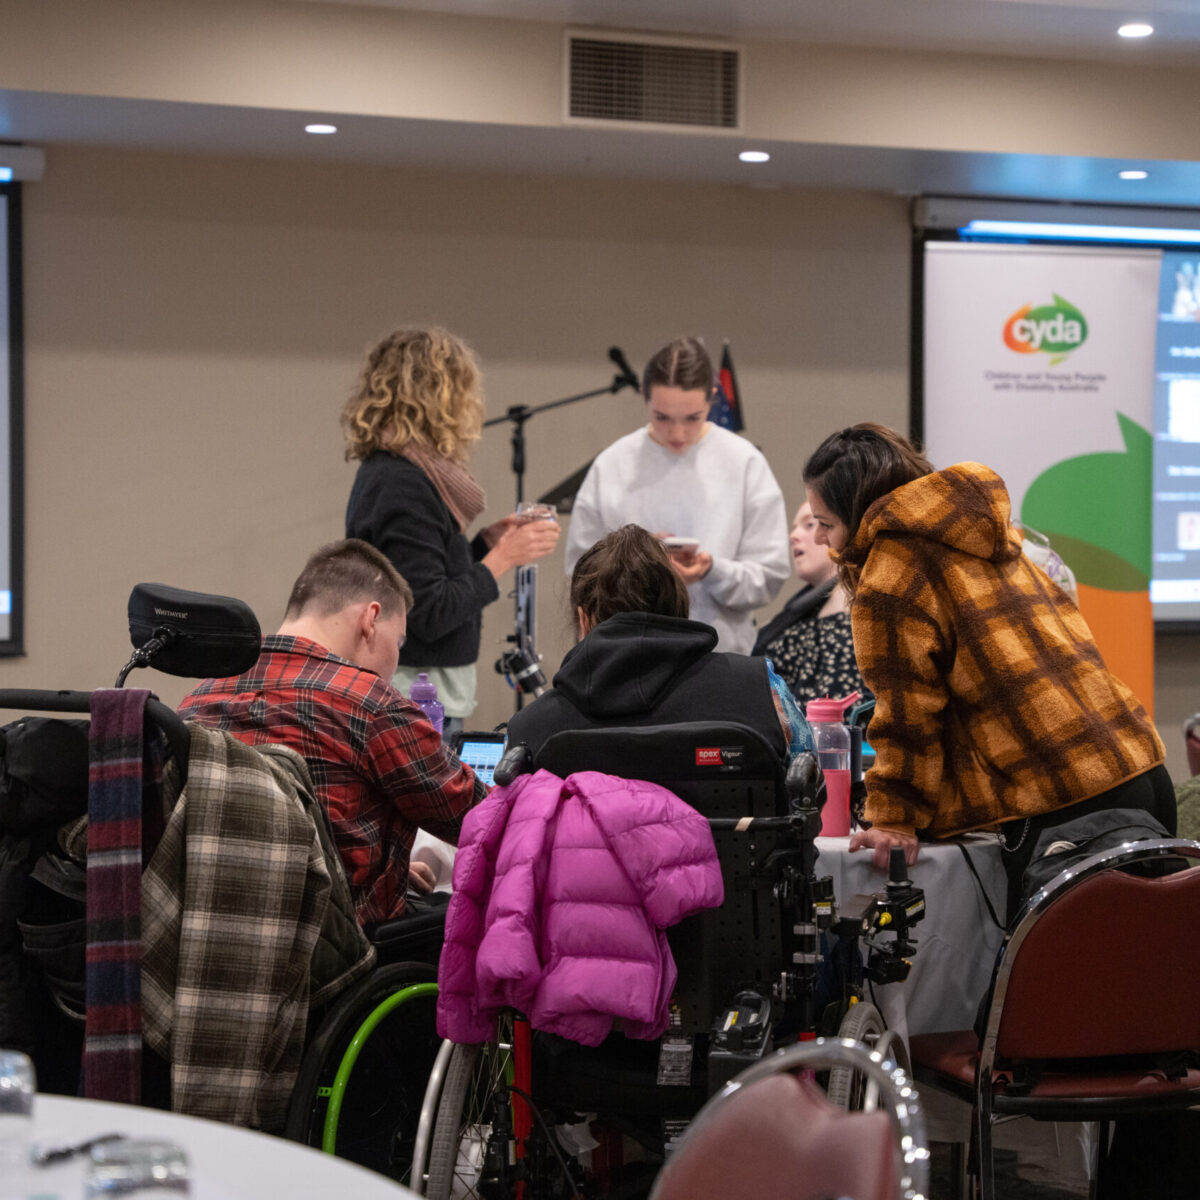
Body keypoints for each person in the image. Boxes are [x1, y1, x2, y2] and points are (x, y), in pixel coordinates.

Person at [801, 423, 1172, 903]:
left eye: (826, 523)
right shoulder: (991, 536)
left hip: (1065, 799)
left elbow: (907, 714)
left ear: (856, 510)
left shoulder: (892, 572)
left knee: (1070, 975)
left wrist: (894, 818)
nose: (824, 540)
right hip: (1140, 767)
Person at [179, 538, 487, 927]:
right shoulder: (371, 704)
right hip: (334, 952)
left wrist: (368, 865)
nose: (396, 659)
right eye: (399, 641)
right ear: (371, 619)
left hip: (213, 934)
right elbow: (480, 819)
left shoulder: (199, 698)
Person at [342, 326, 559, 738]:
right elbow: (426, 611)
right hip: (415, 698)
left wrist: (482, 547)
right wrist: (503, 558)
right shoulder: (402, 485)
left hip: (421, 693)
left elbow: (423, 574)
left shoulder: (405, 474)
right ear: (440, 398)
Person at [506, 524, 807, 762]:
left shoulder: (527, 732)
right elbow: (811, 784)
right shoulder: (760, 687)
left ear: (583, 619)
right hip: (734, 842)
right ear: (679, 607)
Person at [564, 336, 789, 654]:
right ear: (644, 397)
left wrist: (711, 569)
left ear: (712, 398)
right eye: (663, 418)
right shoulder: (612, 465)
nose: (678, 434)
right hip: (627, 656)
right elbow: (580, 574)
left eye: (692, 418)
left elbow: (769, 576)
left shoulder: (744, 462)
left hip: (719, 654)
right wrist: (636, 563)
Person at [752, 501, 867, 710]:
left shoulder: (848, 609)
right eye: (795, 527)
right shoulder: (800, 609)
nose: (793, 536)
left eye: (810, 524)